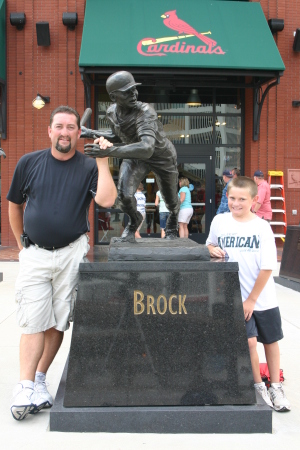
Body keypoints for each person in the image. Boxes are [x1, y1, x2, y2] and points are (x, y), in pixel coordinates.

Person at [6, 105, 117, 421]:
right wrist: (20, 245)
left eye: (71, 127)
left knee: (57, 320)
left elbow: (107, 201)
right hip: (36, 254)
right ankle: (25, 385)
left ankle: (40, 380)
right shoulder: (29, 162)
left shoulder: (88, 166)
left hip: (71, 252)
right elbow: (15, 205)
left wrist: (104, 161)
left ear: (78, 133)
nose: (65, 132)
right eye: (60, 126)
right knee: (32, 319)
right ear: (50, 130)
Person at [206, 176, 290, 412]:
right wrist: (211, 248)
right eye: (232, 198)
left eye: (242, 199)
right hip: (235, 298)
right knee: (250, 342)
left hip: (261, 298)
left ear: (254, 200)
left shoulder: (261, 227)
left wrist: (252, 300)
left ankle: (275, 386)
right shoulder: (219, 221)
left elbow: (267, 267)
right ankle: (257, 387)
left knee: (270, 341)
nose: (236, 203)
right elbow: (210, 244)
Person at [81, 71, 180, 242]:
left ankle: (173, 220)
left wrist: (109, 152)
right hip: (135, 154)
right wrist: (90, 132)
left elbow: (147, 148)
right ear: (113, 97)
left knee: (170, 200)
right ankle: (135, 221)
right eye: (127, 92)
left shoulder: (145, 111)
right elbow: (117, 135)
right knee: (124, 196)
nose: (134, 94)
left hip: (161, 157)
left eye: (134, 90)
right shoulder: (112, 112)